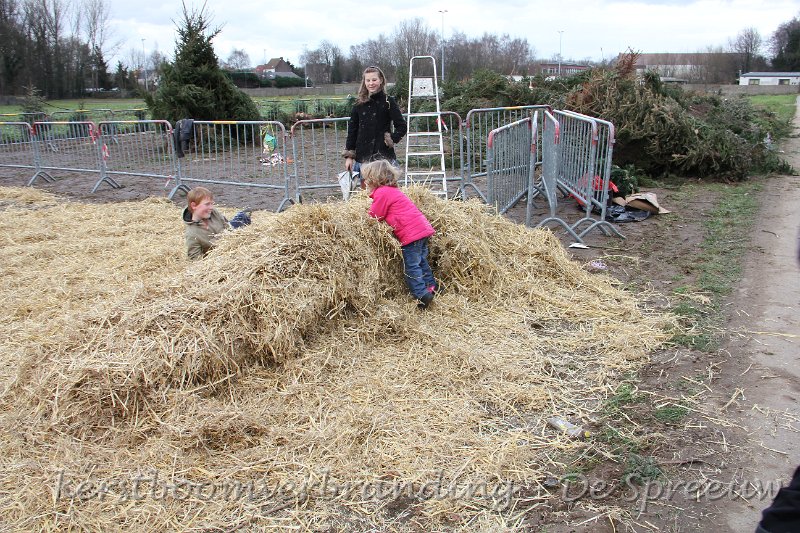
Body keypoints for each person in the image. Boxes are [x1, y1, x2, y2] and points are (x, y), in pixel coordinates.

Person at [362, 160, 438, 309]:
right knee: (421, 261)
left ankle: (421, 295)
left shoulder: (382, 193)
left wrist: (364, 216)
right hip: (422, 229)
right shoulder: (393, 191)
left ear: (374, 179)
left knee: (411, 266)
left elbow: (375, 215)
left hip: (411, 235)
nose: (366, 182)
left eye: (367, 178)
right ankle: (431, 287)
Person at [342, 66, 407, 182]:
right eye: (368, 80)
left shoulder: (388, 101)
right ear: (364, 82)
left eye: (374, 80)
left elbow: (401, 126)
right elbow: (352, 130)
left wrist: (390, 139)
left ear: (381, 80)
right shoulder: (359, 104)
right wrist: (349, 157)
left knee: (386, 191)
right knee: (366, 193)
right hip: (363, 158)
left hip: (383, 157)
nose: (371, 83)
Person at [182, 186, 251, 260]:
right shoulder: (192, 234)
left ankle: (241, 215)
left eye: (212, 203)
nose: (211, 207)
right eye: (207, 204)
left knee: (242, 220)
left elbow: (227, 226)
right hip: (220, 258)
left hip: (230, 242)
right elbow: (196, 259)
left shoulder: (213, 212)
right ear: (194, 205)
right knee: (240, 219)